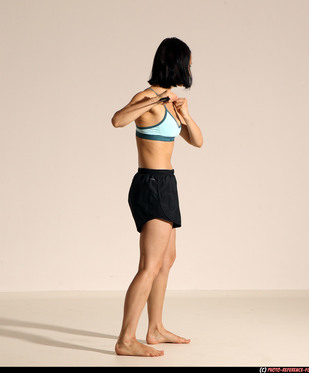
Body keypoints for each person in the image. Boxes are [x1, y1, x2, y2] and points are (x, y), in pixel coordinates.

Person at [110, 37, 203, 357]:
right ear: (176, 62)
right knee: (149, 265)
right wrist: (152, 101)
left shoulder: (172, 103)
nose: (191, 68)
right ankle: (125, 339)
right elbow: (118, 120)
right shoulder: (147, 97)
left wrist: (185, 114)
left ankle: (155, 329)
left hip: (167, 183)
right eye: (188, 62)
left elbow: (198, 142)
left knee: (166, 260)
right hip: (151, 183)